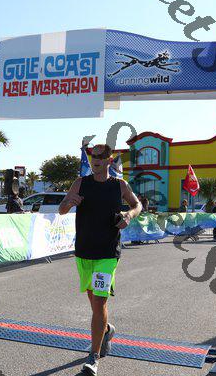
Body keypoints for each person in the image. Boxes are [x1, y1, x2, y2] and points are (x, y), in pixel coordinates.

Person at [59, 144, 141, 376]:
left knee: (99, 301)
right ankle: (105, 330)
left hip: (107, 252)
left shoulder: (119, 185)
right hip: (84, 251)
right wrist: (69, 203)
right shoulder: (80, 183)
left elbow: (137, 205)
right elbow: (62, 209)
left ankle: (93, 359)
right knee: (94, 300)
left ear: (109, 160)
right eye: (93, 156)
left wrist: (129, 215)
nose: (95, 160)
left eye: (100, 157)